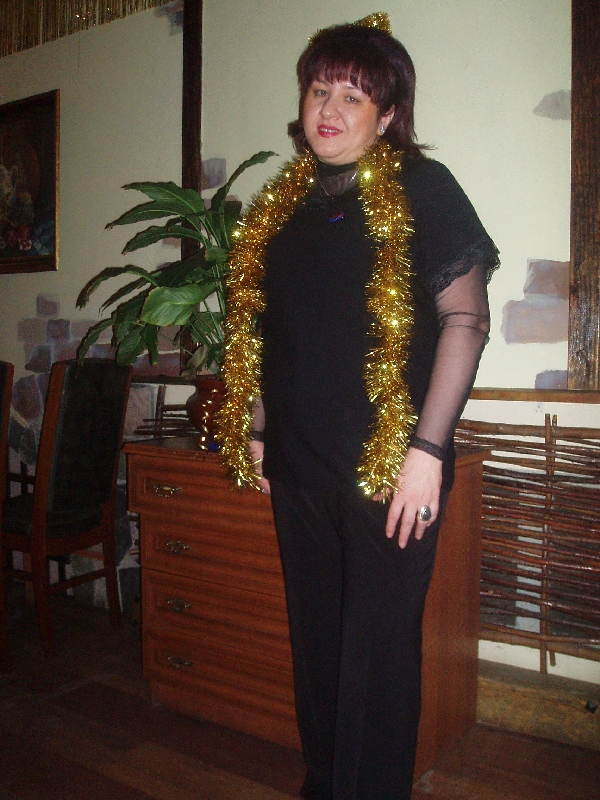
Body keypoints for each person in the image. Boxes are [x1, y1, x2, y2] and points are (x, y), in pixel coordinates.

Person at [217, 13, 498, 800]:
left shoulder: (423, 188)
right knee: (318, 641)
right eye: (319, 90)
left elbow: (465, 321)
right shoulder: (283, 208)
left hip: (389, 470)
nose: (330, 108)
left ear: (387, 114)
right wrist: (261, 430)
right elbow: (270, 329)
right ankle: (327, 782)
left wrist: (428, 454)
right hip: (301, 465)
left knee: (376, 651)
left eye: (353, 94)